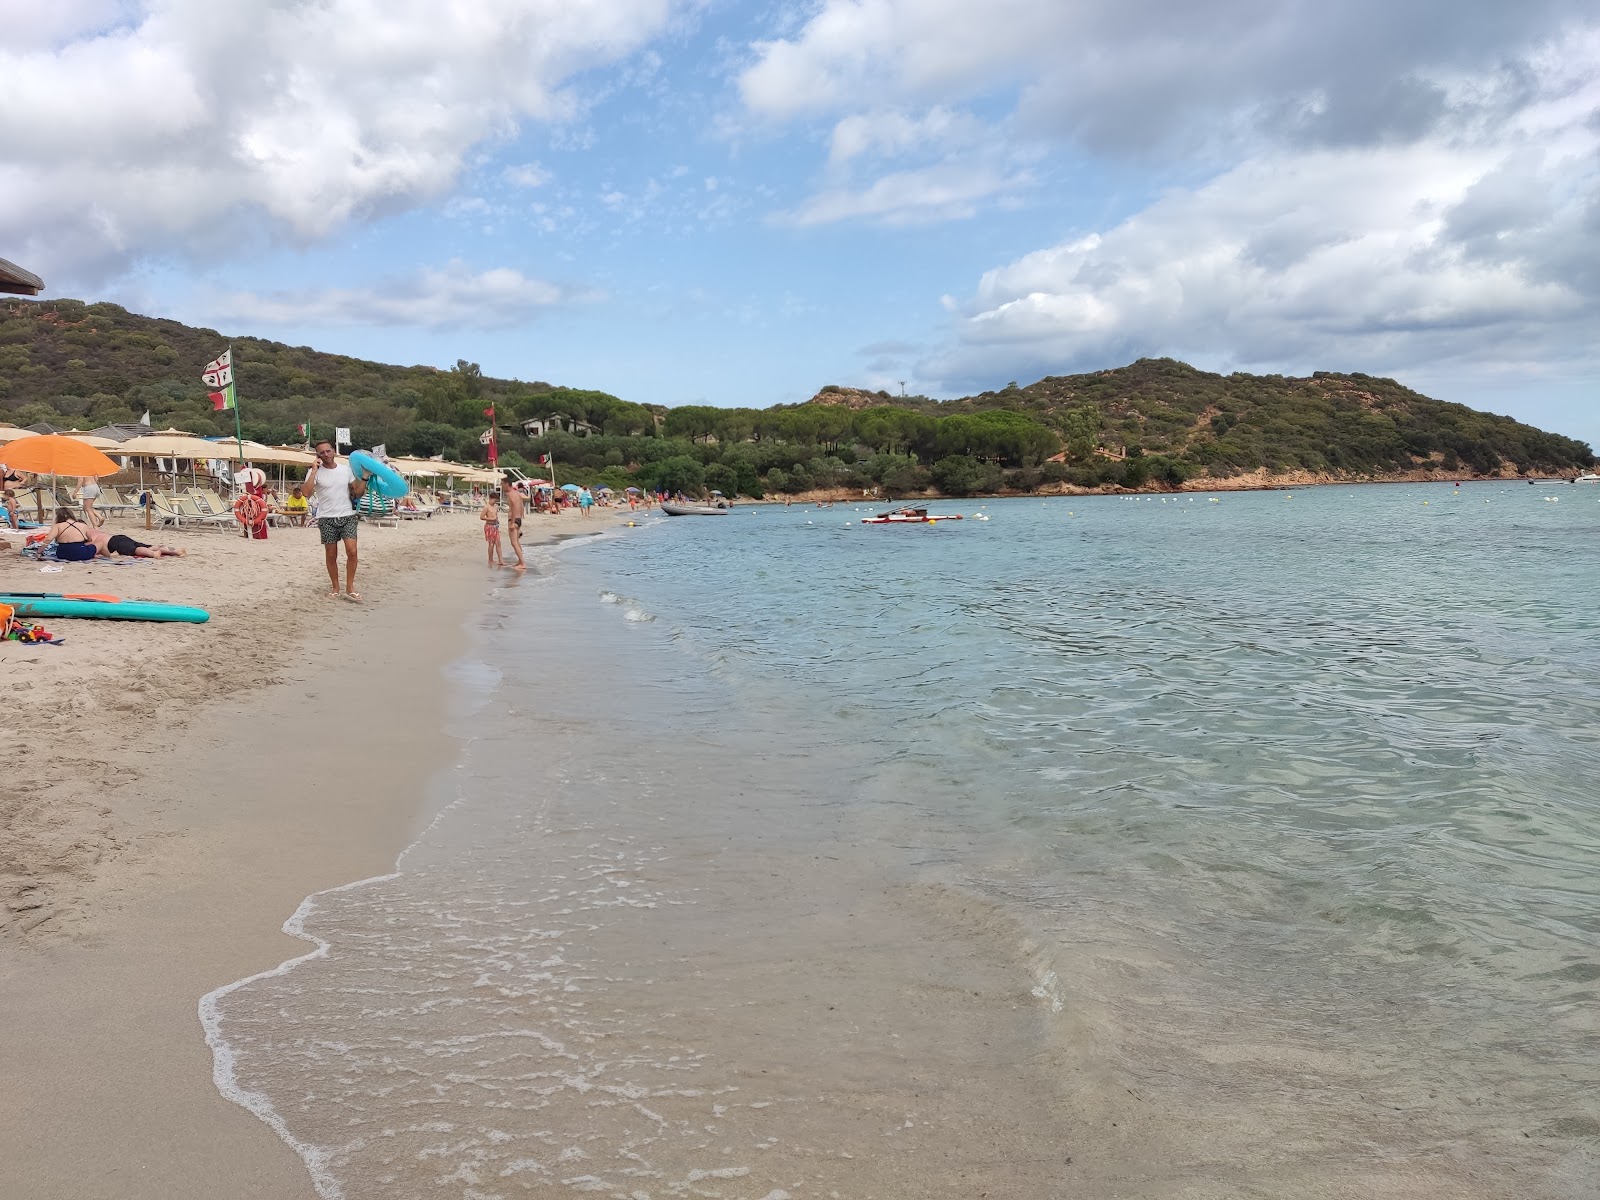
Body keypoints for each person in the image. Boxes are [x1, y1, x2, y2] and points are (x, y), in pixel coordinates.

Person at [303, 439, 362, 601]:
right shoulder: (314, 472)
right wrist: (314, 470)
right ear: (317, 455)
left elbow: (357, 493)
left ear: (334, 451)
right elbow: (306, 493)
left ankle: (350, 587)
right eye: (321, 452)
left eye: (328, 451)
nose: (326, 454)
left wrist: (364, 478)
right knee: (331, 554)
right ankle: (335, 587)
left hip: (347, 515)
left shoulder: (346, 470)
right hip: (326, 517)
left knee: (352, 551)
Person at [30, 507, 97, 561]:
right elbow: (90, 539)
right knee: (94, 546)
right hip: (80, 552)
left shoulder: (58, 526)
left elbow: (48, 539)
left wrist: (39, 552)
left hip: (63, 553)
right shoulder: (82, 525)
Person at [87, 526, 185, 558]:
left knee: (135, 550)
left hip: (113, 543)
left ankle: (153, 554)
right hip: (119, 537)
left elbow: (92, 546)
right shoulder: (93, 529)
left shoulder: (88, 536)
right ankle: (175, 551)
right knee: (148, 546)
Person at [504, 483, 526, 571]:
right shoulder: (518, 494)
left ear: (506, 484)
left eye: (502, 484)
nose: (502, 486)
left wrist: (512, 522)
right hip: (518, 519)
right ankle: (520, 561)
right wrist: (521, 516)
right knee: (517, 542)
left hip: (513, 519)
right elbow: (521, 506)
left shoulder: (510, 495)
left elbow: (513, 508)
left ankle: (522, 563)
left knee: (514, 543)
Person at [480, 492, 503, 567]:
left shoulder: (496, 506)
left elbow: (496, 515)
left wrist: (497, 520)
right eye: (494, 500)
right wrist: (491, 518)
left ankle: (501, 560)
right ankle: (490, 560)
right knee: (491, 544)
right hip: (489, 526)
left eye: (496, 501)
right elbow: (481, 517)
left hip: (495, 526)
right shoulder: (486, 507)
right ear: (490, 498)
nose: (495, 502)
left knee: (498, 543)